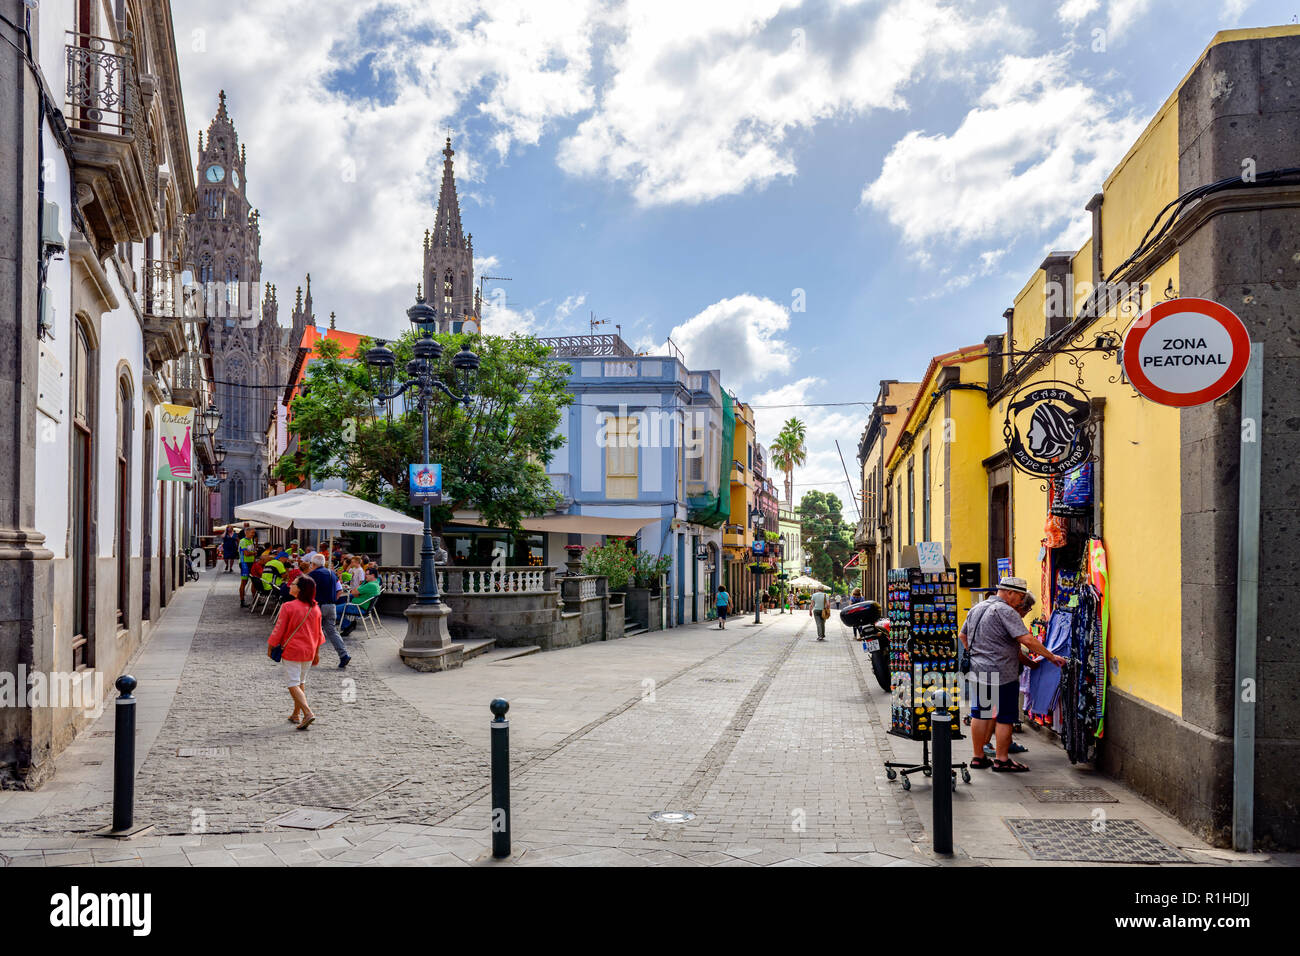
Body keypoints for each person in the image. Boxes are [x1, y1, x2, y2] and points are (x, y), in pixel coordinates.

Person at [961, 576, 1065, 771]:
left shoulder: (977, 608)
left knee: (980, 713)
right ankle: (1001, 759)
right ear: (1010, 593)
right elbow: (1027, 639)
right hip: (1002, 672)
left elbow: (962, 635)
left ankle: (978, 757)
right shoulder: (1005, 611)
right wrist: (1051, 657)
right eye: (1020, 597)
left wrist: (976, 653)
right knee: (1004, 717)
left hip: (978, 670)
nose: (1020, 602)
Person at [266, 574, 326, 730]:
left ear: (299, 589)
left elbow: (279, 629)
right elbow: (319, 633)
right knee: (300, 682)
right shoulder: (315, 608)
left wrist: (271, 645)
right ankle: (295, 713)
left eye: (293, 583)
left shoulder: (288, 606)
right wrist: (317, 653)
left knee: (293, 683)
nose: (289, 585)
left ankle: (307, 712)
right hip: (310, 650)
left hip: (293, 650)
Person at [307, 553, 350, 669]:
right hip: (331, 606)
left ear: (313, 564)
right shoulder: (332, 574)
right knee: (332, 632)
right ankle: (344, 655)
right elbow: (339, 590)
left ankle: (311, 657)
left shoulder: (311, 575)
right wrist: (331, 601)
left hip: (317, 607)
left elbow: (306, 592)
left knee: (312, 632)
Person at [337, 566, 382, 636]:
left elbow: (353, 592)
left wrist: (361, 585)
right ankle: (347, 625)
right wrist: (357, 592)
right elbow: (356, 594)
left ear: (373, 575)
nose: (365, 576)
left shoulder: (370, 585)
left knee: (332, 610)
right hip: (361, 606)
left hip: (358, 608)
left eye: (367, 574)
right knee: (337, 608)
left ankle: (348, 625)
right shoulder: (376, 583)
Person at [237, 524, 257, 607]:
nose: (253, 534)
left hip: (251, 563)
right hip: (244, 563)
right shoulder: (243, 541)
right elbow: (246, 553)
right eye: (252, 533)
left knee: (254, 581)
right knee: (244, 582)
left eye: (254, 533)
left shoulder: (251, 540)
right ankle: (242, 601)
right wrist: (254, 553)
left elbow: (251, 552)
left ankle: (255, 600)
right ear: (247, 532)